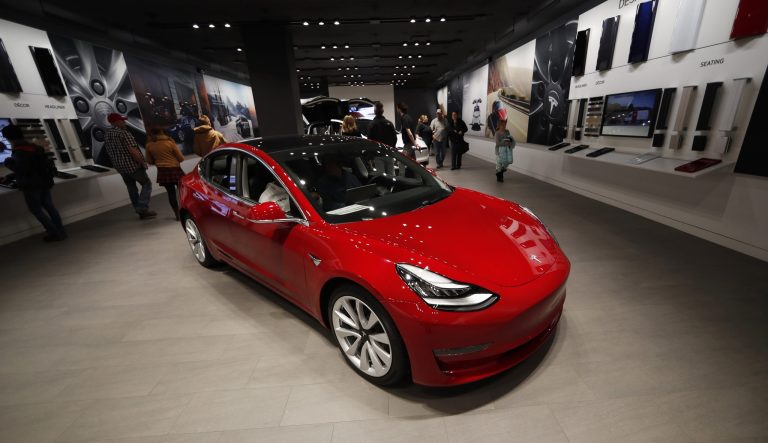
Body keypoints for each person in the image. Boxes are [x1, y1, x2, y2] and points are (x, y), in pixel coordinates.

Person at [2, 124, 66, 241]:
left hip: (31, 186)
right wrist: (9, 177)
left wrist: (8, 163)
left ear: (8, 138)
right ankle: (61, 231)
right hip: (44, 181)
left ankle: (54, 233)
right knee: (50, 207)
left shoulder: (20, 151)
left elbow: (22, 169)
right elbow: (31, 168)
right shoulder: (34, 148)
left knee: (36, 210)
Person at [104, 113, 157, 219]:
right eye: (122, 120)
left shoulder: (107, 135)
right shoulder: (124, 133)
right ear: (115, 122)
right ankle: (142, 207)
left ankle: (140, 211)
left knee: (131, 188)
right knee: (146, 184)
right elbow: (133, 151)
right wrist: (142, 162)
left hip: (121, 168)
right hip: (133, 166)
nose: (124, 122)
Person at [145, 127, 185, 220]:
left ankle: (177, 214)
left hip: (162, 171)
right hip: (175, 169)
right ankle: (186, 210)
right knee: (183, 191)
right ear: (162, 132)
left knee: (171, 193)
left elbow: (149, 161)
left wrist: (158, 161)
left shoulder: (149, 145)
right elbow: (181, 158)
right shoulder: (169, 142)